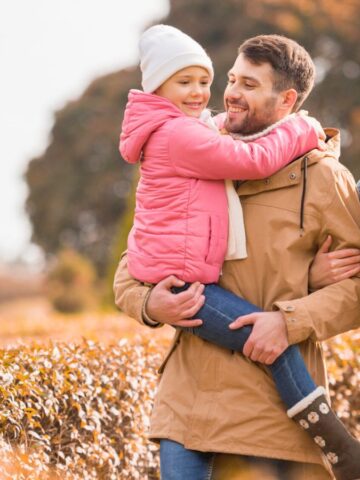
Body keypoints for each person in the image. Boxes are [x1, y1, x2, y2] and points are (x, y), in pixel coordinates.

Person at [115, 29, 360, 480]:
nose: (229, 94)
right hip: (187, 407)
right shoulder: (193, 151)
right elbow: (136, 263)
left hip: (270, 418)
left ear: (287, 101)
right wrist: (151, 304)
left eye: (250, 85)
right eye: (232, 79)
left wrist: (293, 317)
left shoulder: (325, 179)